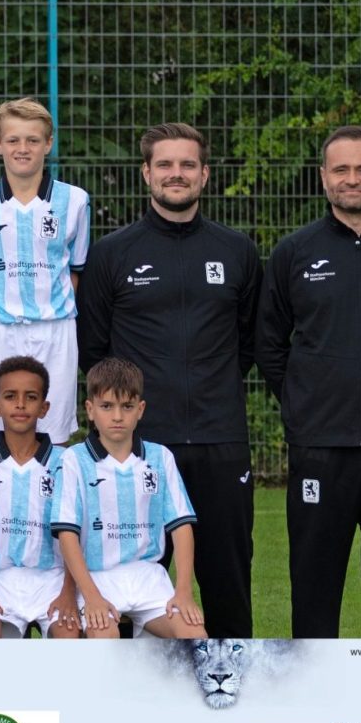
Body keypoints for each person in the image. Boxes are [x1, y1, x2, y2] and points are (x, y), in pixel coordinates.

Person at [77, 122, 260, 638]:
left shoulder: (237, 251)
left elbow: (248, 342)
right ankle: (129, 686)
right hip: (137, 446)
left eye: (186, 165)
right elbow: (94, 352)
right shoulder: (112, 253)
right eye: (165, 164)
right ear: (146, 173)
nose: (175, 174)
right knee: (127, 584)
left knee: (227, 580)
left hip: (219, 438)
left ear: (204, 174)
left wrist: (208, 387)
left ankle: (232, 681)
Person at [257, 125, 361, 638]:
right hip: (320, 447)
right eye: (341, 169)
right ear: (324, 177)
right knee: (314, 585)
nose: (352, 179)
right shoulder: (294, 252)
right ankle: (315, 683)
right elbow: (269, 343)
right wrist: (304, 402)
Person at [51, 358, 207, 639]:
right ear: (90, 410)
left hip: (149, 578)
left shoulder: (160, 457)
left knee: (194, 637)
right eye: (106, 406)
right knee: (105, 637)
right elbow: (67, 535)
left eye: (127, 406)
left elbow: (181, 526)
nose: (117, 416)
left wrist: (184, 590)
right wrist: (91, 596)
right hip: (96, 579)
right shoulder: (73, 459)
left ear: (140, 410)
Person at [0, 98, 89, 444]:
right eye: (13, 140)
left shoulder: (75, 200)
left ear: (48, 144)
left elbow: (76, 269)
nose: (23, 148)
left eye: (33, 140)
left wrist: (51, 308)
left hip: (55, 330)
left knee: (53, 432)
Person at [0, 357, 80, 639]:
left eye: (31, 397)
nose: (21, 404)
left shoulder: (65, 460)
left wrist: (68, 591)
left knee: (68, 633)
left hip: (52, 578)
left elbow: (74, 533)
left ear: (44, 407)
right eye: (11, 396)